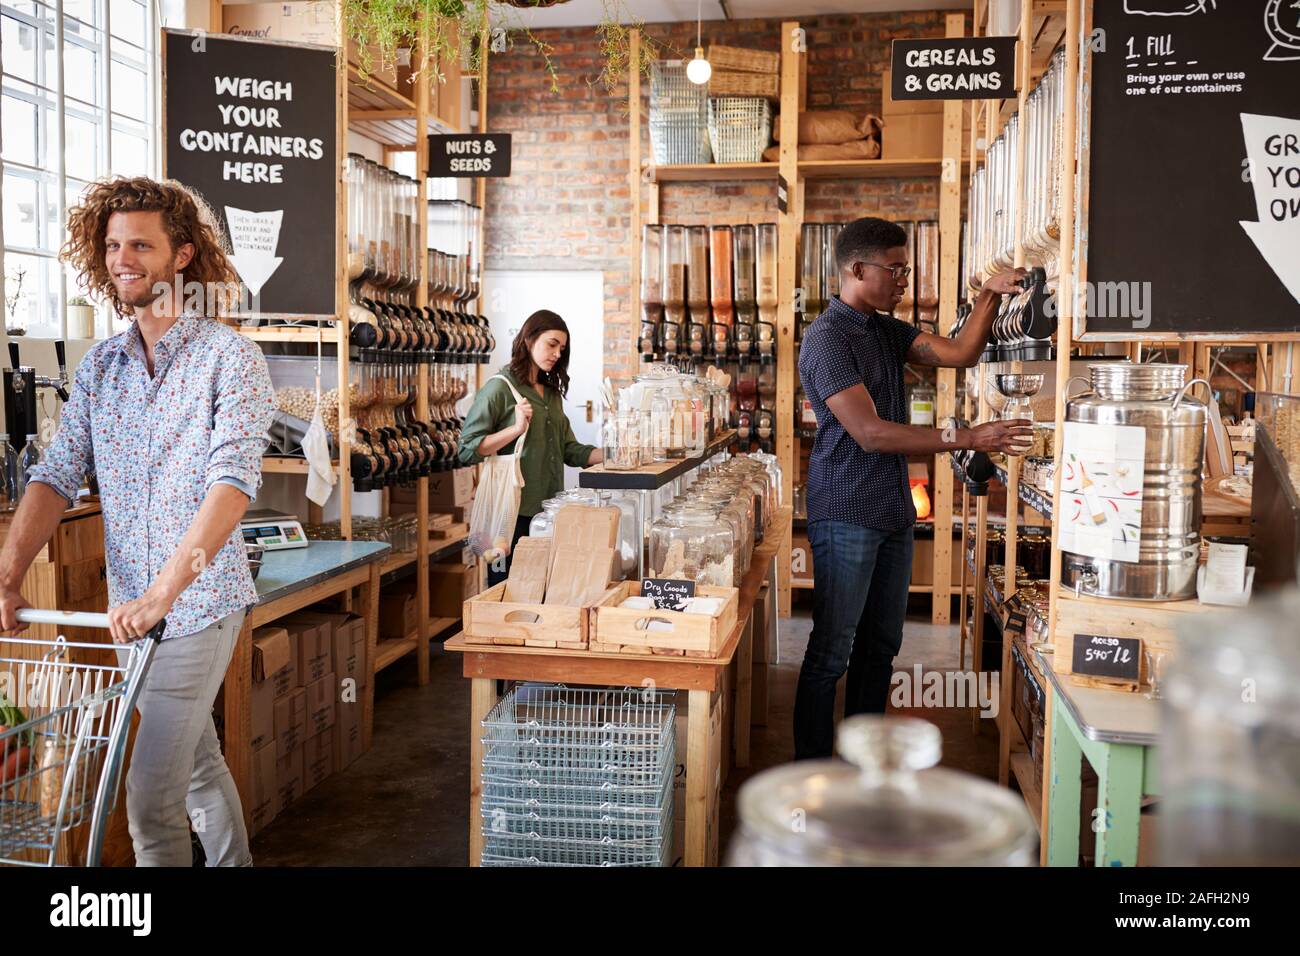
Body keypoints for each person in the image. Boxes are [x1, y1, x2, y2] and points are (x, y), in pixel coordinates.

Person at [0, 177, 274, 865]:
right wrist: (7, 576)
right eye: (114, 244)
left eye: (141, 244)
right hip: (133, 610)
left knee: (151, 795)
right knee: (197, 765)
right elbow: (55, 475)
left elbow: (230, 485)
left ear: (181, 256)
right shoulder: (100, 368)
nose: (124, 257)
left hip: (197, 605)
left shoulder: (229, 358)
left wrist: (164, 593)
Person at [794, 217, 1032, 760]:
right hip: (847, 509)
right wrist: (965, 436)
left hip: (893, 512)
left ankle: (860, 763)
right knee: (832, 652)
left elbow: (960, 353)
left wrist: (986, 297)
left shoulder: (885, 328)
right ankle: (807, 773)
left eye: (906, 269)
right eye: (895, 270)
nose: (904, 279)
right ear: (857, 270)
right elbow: (871, 434)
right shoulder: (826, 339)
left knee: (880, 649)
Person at [459, 309, 603, 586]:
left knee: (541, 590)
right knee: (504, 588)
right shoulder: (499, 389)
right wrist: (514, 430)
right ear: (528, 339)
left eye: (562, 348)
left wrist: (615, 454)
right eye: (552, 344)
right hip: (508, 516)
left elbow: (570, 450)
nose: (558, 354)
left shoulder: (551, 395)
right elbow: (467, 449)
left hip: (548, 514)